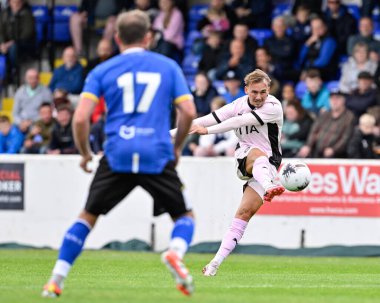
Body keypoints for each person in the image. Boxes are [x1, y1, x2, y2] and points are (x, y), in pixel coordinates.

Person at [42, 10, 196, 298]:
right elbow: (187, 111)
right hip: (156, 152)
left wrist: (86, 153)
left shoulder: (102, 70)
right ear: (149, 37)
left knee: (88, 216)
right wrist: (176, 148)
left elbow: (79, 118)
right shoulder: (168, 66)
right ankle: (175, 252)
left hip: (117, 153)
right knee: (184, 216)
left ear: (116, 38)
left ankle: (56, 280)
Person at [184, 69, 284, 276]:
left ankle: (214, 264)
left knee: (243, 214)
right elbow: (212, 118)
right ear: (246, 89)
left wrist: (208, 130)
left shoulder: (274, 106)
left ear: (269, 90)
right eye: (254, 92)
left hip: (270, 166)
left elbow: (239, 122)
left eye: (263, 92)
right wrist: (176, 132)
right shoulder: (238, 105)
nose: (259, 97)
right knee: (258, 154)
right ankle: (270, 188)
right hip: (245, 158)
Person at [297, 89, 355, 158]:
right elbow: (314, 131)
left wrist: (334, 149)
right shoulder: (324, 115)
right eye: (332, 98)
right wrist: (308, 145)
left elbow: (345, 137)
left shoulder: (349, 117)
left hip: (336, 154)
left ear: (343, 100)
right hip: (317, 151)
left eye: (337, 98)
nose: (334, 101)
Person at [12, 68, 53, 133]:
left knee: (37, 139)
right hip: (21, 124)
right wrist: (21, 123)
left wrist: (31, 122)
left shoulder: (46, 92)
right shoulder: (19, 92)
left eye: (35, 78)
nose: (33, 80)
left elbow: (48, 112)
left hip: (39, 124)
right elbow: (15, 113)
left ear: (39, 79)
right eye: (30, 78)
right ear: (26, 79)